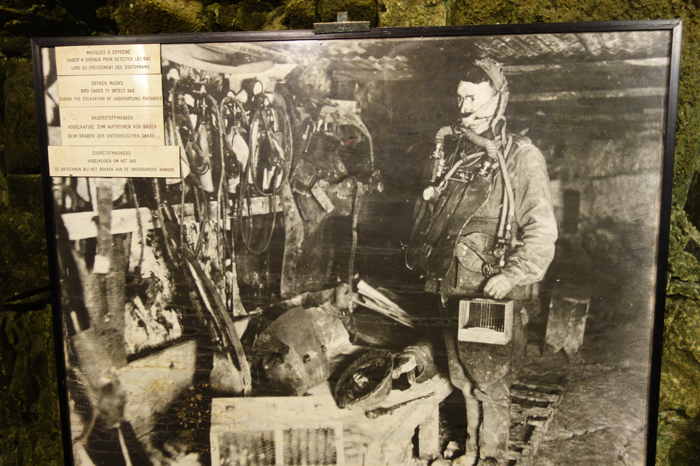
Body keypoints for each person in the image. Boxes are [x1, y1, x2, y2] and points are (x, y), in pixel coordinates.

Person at [405, 58, 558, 464]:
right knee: (463, 378)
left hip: (487, 291)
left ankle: (490, 457)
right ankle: (473, 450)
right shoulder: (458, 152)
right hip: (449, 287)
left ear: (498, 100)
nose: (463, 106)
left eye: (472, 97)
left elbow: (542, 232)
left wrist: (513, 275)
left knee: (490, 381)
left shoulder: (521, 157)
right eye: (459, 97)